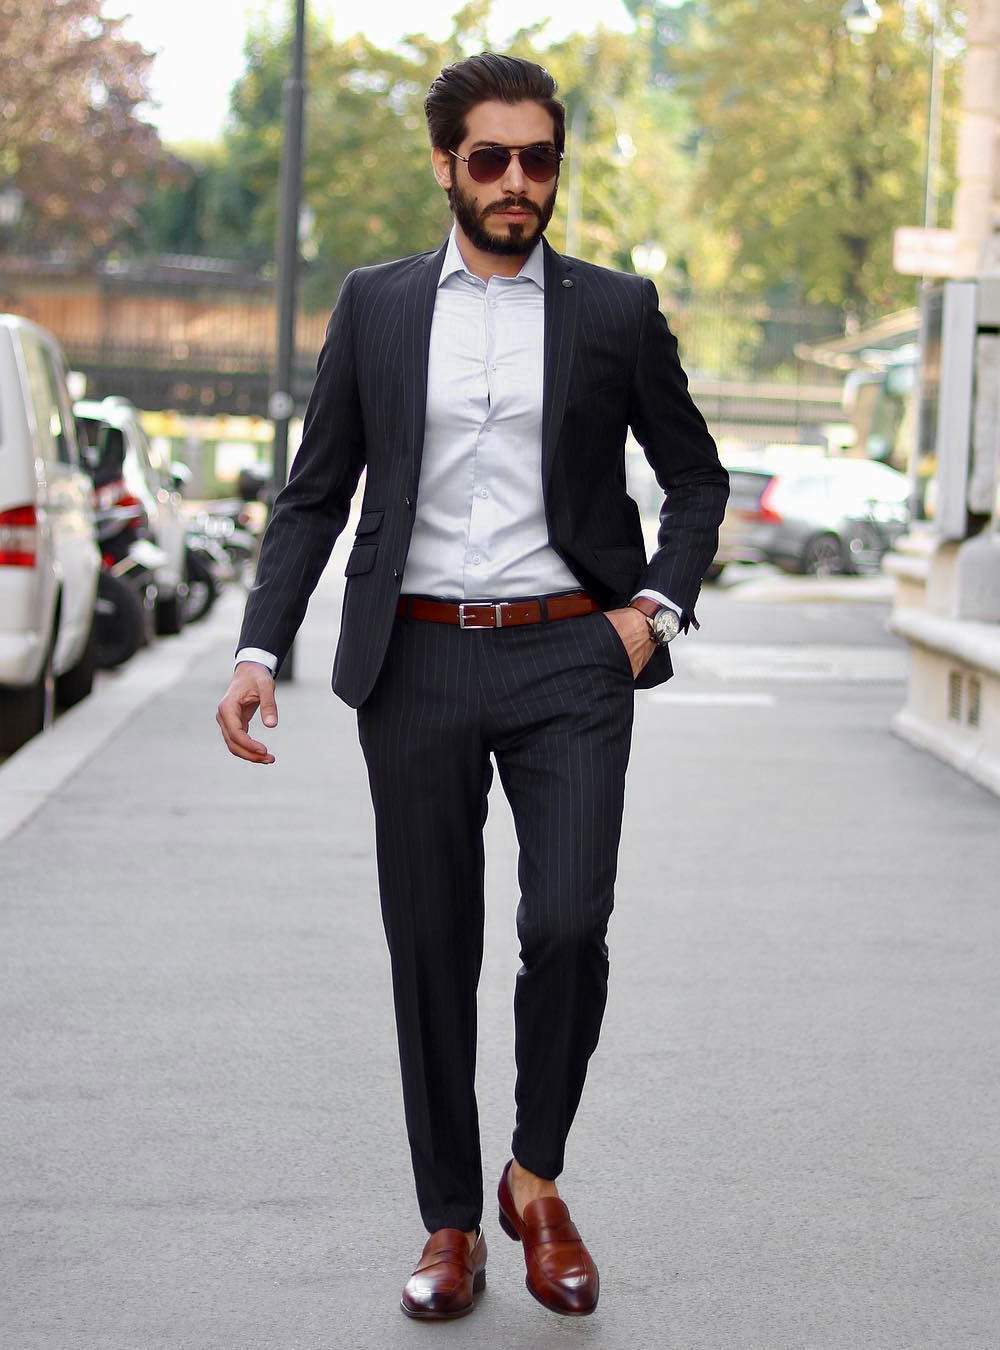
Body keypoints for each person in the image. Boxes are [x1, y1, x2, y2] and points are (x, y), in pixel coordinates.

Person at [217, 52, 729, 1322]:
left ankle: (534, 1178)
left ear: (557, 165)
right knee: (431, 948)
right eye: (491, 159)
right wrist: (256, 649)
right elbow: (315, 493)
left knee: (565, 925)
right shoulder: (379, 305)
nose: (518, 182)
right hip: (420, 659)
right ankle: (451, 1219)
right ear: (446, 165)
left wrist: (649, 615)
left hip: (571, 654)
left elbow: (695, 477)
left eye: (539, 158)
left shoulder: (615, 310)